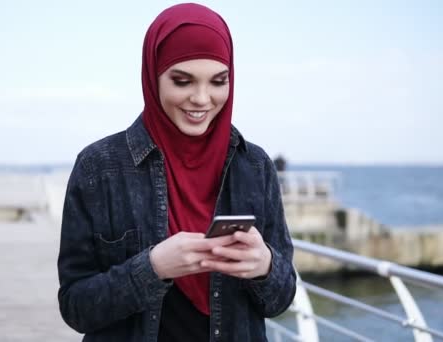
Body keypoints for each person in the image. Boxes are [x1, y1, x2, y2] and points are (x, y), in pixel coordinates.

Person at [57, 3, 296, 341]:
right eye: (182, 81)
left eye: (218, 81)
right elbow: (75, 306)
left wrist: (265, 268)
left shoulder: (255, 166)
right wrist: (152, 268)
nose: (202, 98)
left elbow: (281, 298)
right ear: (153, 76)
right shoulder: (98, 167)